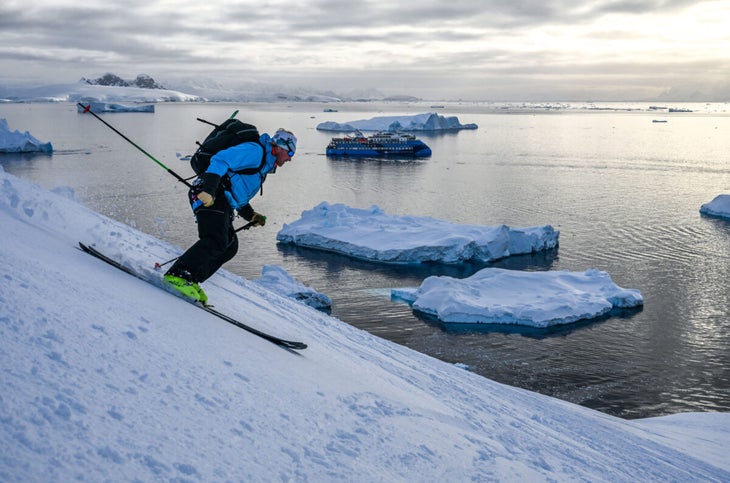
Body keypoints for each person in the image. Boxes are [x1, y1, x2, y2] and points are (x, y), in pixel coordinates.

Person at [164, 128, 298, 304]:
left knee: (230, 245)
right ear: (280, 147)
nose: (289, 158)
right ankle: (177, 275)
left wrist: (251, 215)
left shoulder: (263, 164)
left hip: (221, 199)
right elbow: (220, 159)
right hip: (209, 194)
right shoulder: (255, 151)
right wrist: (209, 190)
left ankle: (191, 278)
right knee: (216, 239)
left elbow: (237, 192)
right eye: (290, 153)